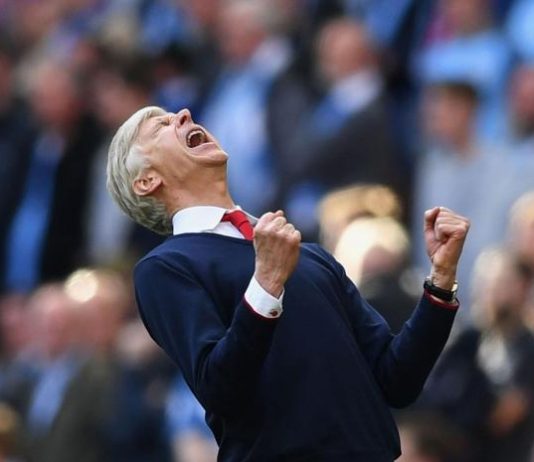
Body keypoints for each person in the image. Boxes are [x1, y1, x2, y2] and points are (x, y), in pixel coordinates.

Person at [106, 106, 469, 461]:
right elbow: (219, 388)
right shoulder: (165, 267)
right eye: (161, 126)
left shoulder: (310, 255)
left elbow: (396, 379)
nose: (184, 114)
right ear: (147, 181)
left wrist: (441, 279)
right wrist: (266, 285)